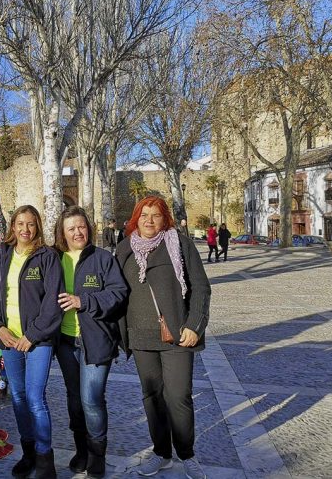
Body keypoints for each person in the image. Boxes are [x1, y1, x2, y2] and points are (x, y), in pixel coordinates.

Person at [115, 196, 210, 479]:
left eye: (156, 215)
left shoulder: (179, 244)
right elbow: (113, 292)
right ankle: (161, 453)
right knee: (152, 397)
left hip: (177, 335)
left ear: (164, 218)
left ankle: (187, 454)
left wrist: (195, 325)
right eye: (144, 215)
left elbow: (201, 287)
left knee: (179, 395)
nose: (149, 220)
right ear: (135, 218)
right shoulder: (124, 249)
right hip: (141, 337)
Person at [0, 205, 64, 479]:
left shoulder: (47, 257)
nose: (25, 229)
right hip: (9, 338)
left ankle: (44, 459)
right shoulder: (2, 254)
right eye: (20, 224)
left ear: (37, 226)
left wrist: (34, 335)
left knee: (35, 398)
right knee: (17, 396)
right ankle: (28, 453)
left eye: (31, 224)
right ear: (13, 226)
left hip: (37, 340)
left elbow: (53, 302)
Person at [53, 206, 128, 477]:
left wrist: (83, 301)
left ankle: (98, 454)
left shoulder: (103, 259)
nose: (77, 232)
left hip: (96, 341)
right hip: (65, 342)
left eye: (81, 226)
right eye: (71, 228)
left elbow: (118, 294)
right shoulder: (55, 258)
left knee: (91, 399)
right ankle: (81, 449)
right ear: (62, 232)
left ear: (89, 228)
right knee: (74, 399)